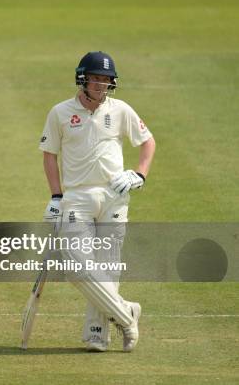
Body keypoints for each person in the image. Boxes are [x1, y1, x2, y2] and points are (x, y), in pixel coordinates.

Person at [38, 51, 156, 352]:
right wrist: (55, 196)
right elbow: (49, 154)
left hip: (115, 196)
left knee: (106, 268)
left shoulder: (120, 110)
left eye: (106, 80)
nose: (101, 85)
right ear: (83, 79)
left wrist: (139, 174)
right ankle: (126, 314)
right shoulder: (60, 112)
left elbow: (147, 141)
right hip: (76, 198)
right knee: (78, 266)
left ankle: (96, 334)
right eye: (96, 79)